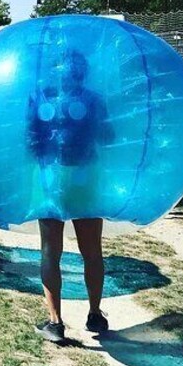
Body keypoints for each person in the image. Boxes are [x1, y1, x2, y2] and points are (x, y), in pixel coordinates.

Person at [27, 50, 114, 343]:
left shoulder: (40, 99)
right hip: (86, 178)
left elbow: (31, 139)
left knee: (51, 250)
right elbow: (108, 137)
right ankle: (94, 314)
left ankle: (55, 321)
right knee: (92, 250)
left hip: (51, 178)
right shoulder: (93, 100)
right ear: (83, 72)